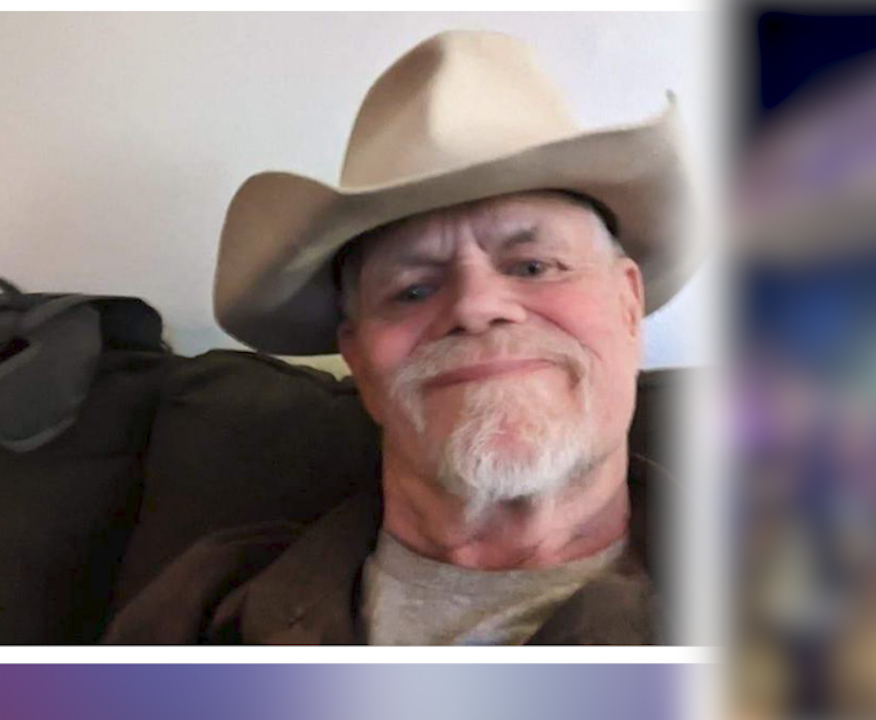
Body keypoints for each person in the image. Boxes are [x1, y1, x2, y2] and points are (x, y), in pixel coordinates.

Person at [104, 29, 697, 645]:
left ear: (629, 305)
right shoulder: (204, 611)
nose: (475, 305)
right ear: (358, 359)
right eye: (412, 289)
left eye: (533, 266)